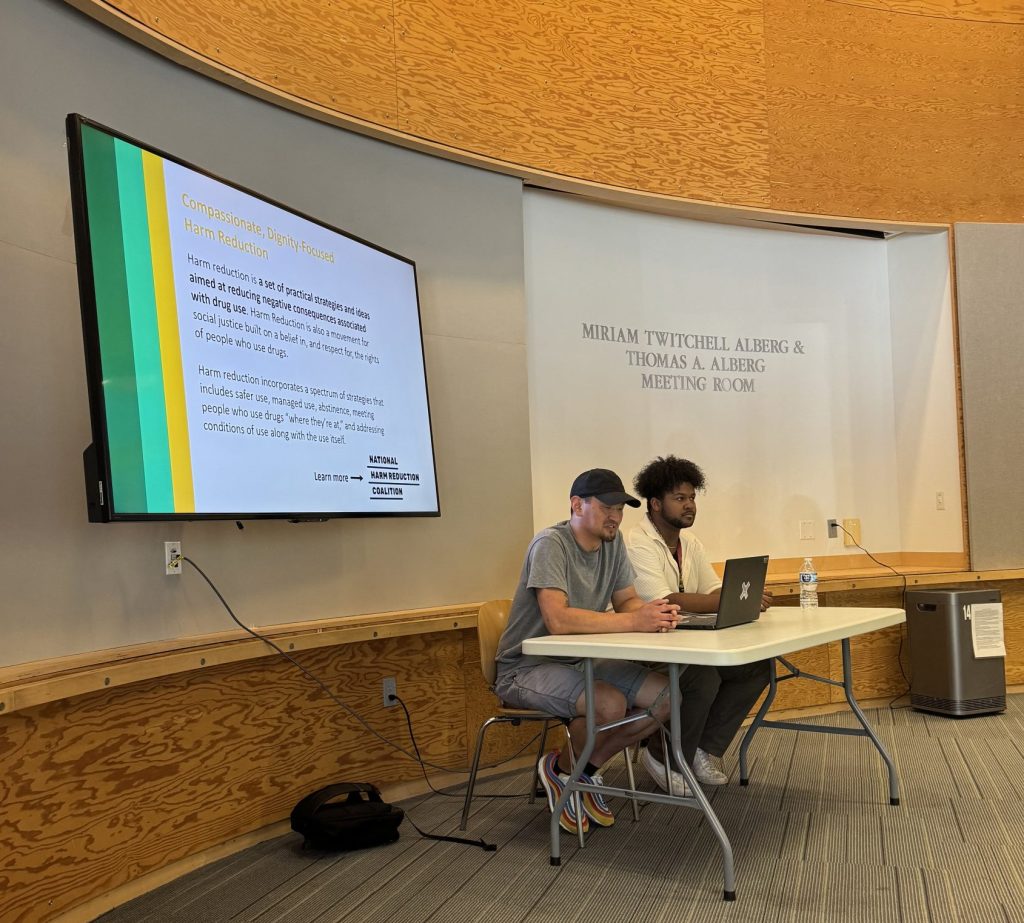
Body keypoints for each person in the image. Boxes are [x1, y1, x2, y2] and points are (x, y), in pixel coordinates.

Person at [494, 468, 680, 834]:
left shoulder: (613, 543)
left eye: (620, 508)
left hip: (581, 661)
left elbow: (626, 599)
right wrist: (633, 622)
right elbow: (557, 620)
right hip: (526, 667)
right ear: (577, 505)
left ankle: (574, 772)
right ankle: (570, 774)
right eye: (606, 506)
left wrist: (651, 615)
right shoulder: (551, 544)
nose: (615, 516)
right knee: (607, 704)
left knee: (666, 695)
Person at [627, 455, 772, 794]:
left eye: (692, 498)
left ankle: (700, 750)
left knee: (754, 666)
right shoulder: (636, 542)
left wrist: (741, 597)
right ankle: (663, 756)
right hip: (641, 647)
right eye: (680, 498)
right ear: (656, 504)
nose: (690, 505)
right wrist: (731, 600)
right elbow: (663, 601)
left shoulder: (689, 542)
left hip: (681, 642)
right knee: (702, 675)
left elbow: (711, 588)